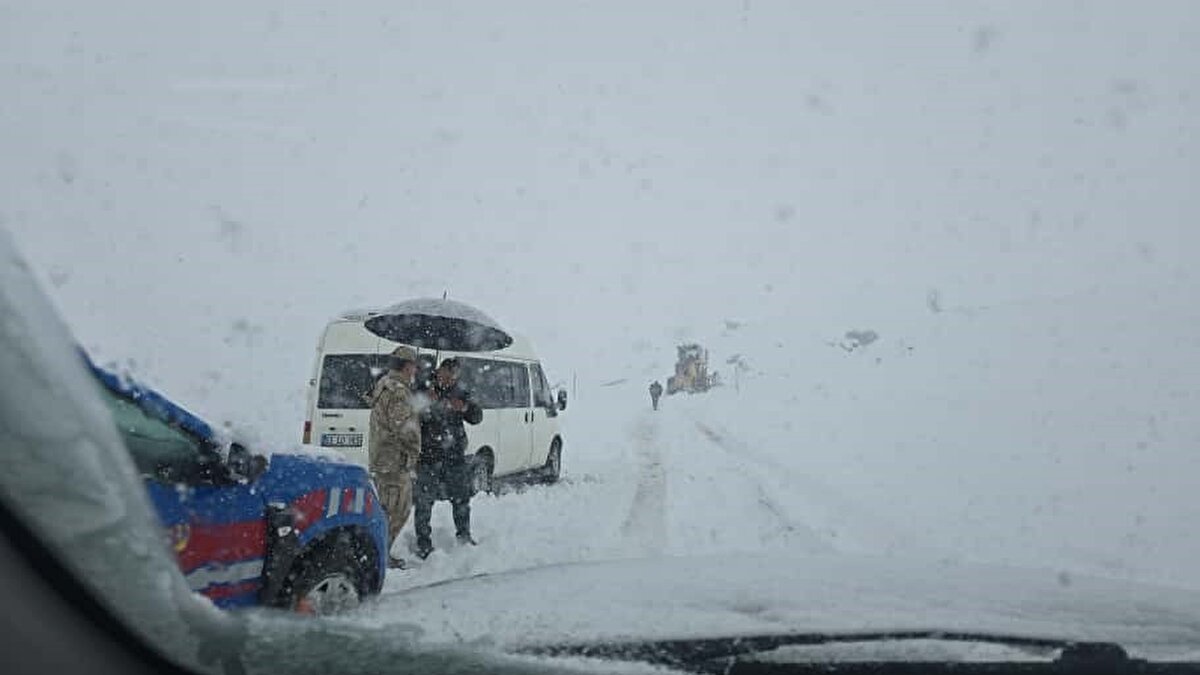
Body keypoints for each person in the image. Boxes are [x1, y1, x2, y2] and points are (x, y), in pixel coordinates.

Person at [413, 357, 483, 559]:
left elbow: (477, 417)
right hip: (429, 454)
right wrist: (427, 402)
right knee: (424, 501)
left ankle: (464, 535)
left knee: (461, 498)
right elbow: (412, 414)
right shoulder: (424, 386)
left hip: (454, 456)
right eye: (448, 374)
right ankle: (423, 543)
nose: (451, 379)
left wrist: (465, 408)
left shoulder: (460, 392)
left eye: (454, 376)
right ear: (439, 371)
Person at [366, 346, 421, 569]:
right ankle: (378, 556)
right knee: (396, 511)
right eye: (414, 366)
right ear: (407, 366)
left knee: (389, 508)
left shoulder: (384, 384)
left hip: (384, 458)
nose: (415, 371)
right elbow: (404, 428)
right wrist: (415, 448)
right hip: (394, 461)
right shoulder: (399, 391)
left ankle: (379, 553)